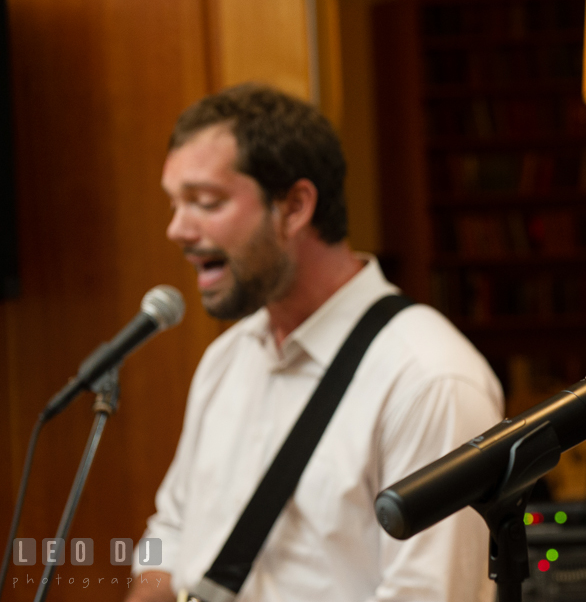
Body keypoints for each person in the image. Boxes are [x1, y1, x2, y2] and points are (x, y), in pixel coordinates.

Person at [126, 84, 504, 602]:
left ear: (295, 206)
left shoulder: (430, 378)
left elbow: (431, 595)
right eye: (175, 203)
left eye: (206, 202)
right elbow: (169, 537)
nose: (177, 229)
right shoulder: (226, 359)